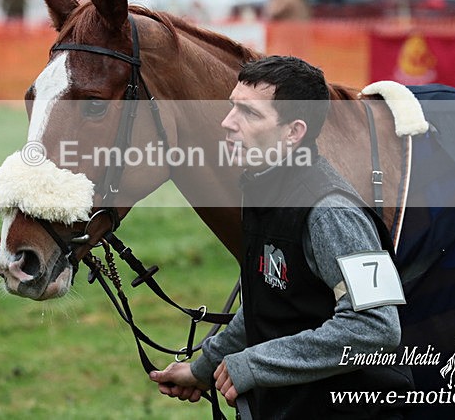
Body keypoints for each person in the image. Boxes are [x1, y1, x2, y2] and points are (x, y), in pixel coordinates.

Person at [149, 56, 412, 418]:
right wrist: (204, 367)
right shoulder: (261, 188)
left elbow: (376, 327)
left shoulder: (331, 212)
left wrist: (255, 364)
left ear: (293, 132)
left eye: (249, 114)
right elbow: (266, 303)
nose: (227, 123)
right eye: (231, 108)